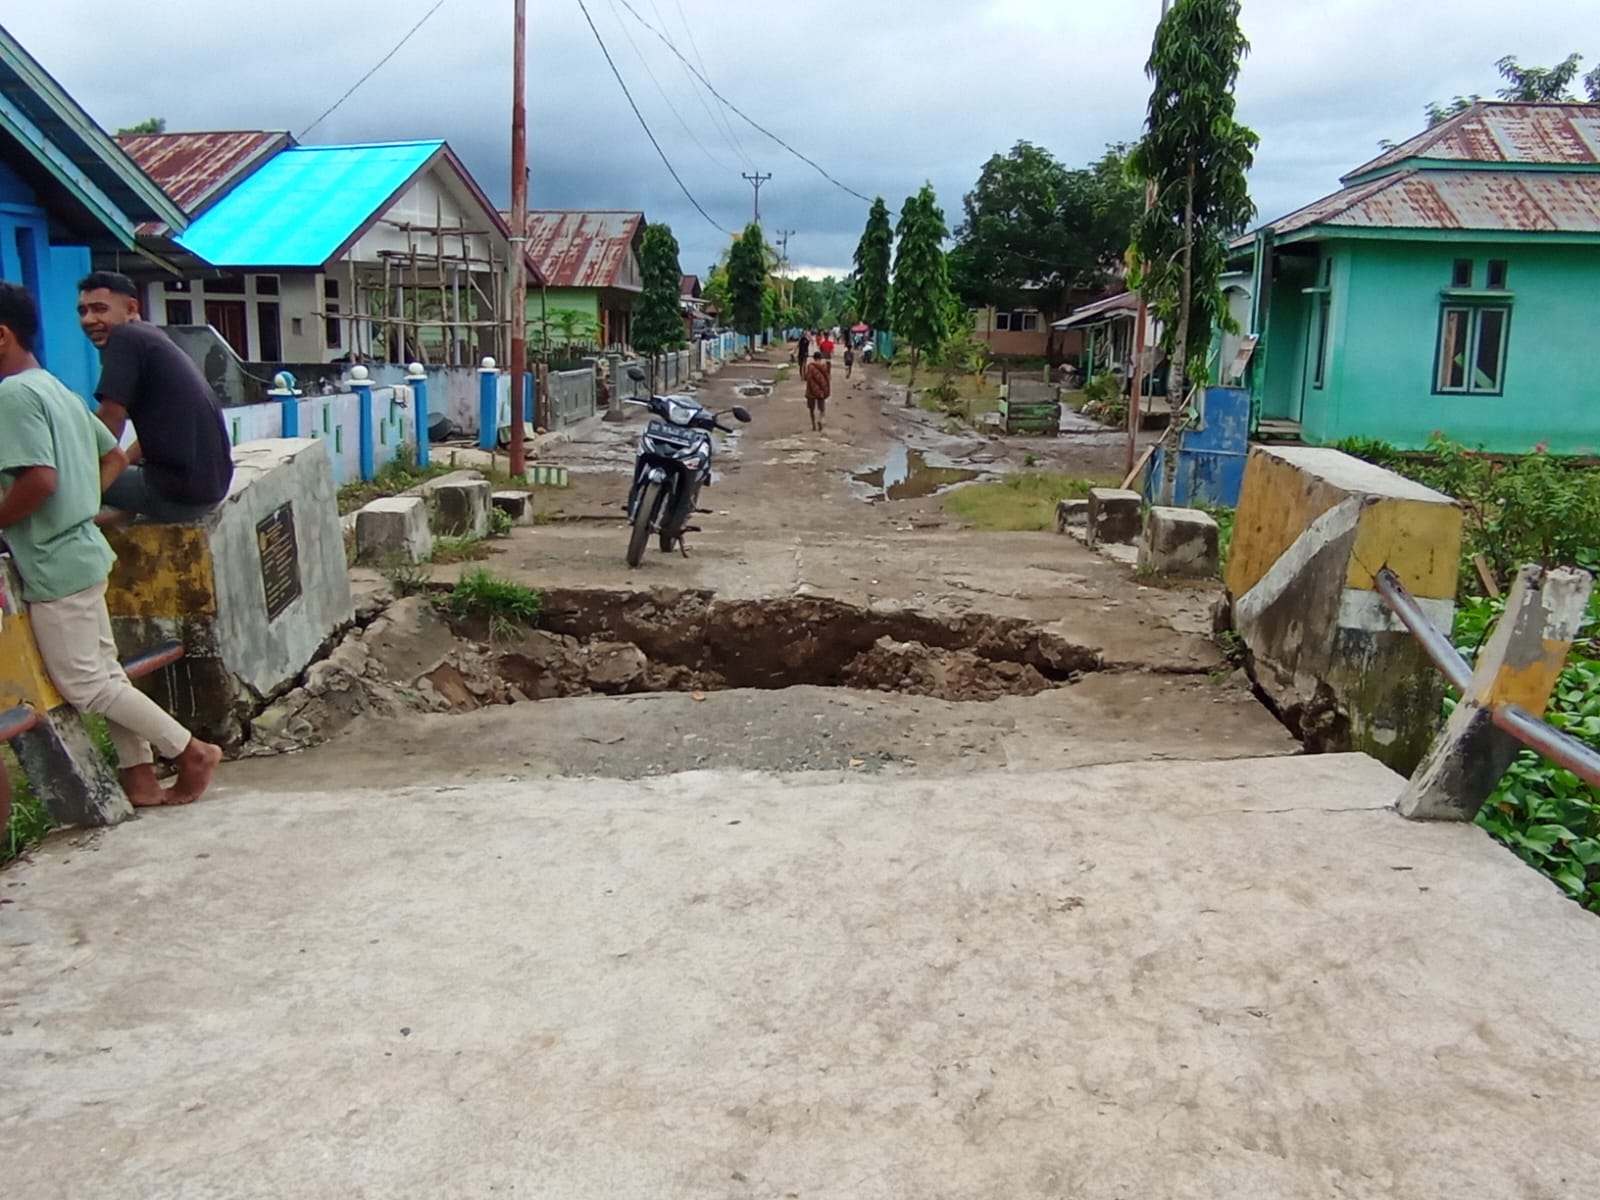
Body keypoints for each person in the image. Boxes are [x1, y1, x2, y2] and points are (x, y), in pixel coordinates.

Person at [0, 283, 222, 807]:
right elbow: (111, 454)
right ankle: (139, 775)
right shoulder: (53, 388)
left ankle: (189, 750)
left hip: (55, 562)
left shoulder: (12, 397)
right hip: (84, 551)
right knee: (106, 674)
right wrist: (83, 502)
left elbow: (39, 480)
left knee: (85, 686)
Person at [75, 271, 233, 524]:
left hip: (175, 496)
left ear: (131, 308)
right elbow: (158, 431)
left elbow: (109, 420)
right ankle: (108, 518)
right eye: (82, 311)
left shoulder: (125, 338)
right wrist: (119, 464)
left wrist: (78, 471)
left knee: (56, 479)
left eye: (100, 309)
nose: (89, 319)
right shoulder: (152, 337)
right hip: (208, 490)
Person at [804, 350, 831, 433]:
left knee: (811, 409)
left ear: (813, 358)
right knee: (822, 409)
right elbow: (827, 378)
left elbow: (807, 378)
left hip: (811, 391)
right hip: (821, 391)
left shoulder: (810, 367)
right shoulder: (823, 367)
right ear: (820, 358)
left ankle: (814, 426)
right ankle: (820, 419)